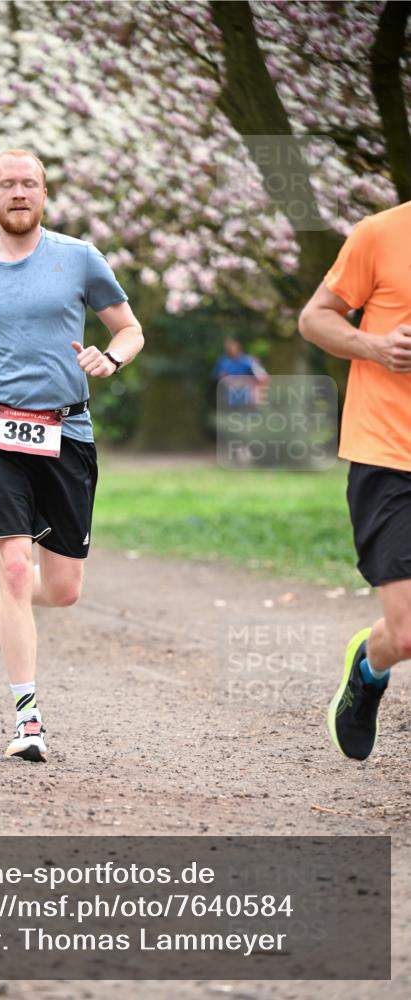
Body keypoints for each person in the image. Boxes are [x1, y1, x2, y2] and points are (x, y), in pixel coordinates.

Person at [0, 149, 144, 762]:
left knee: (64, 588)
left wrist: (111, 357)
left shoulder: (79, 258)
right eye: (7, 185)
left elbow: (130, 328)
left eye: (30, 184)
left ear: (44, 194)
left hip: (66, 429)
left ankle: (4, 590)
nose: (19, 192)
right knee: (17, 567)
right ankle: (28, 719)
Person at [299, 200, 411, 761]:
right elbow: (315, 317)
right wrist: (376, 346)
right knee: (408, 632)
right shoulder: (382, 233)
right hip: (388, 452)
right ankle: (369, 668)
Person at [212, 337, 268, 408]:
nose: (230, 351)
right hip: (230, 395)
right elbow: (217, 376)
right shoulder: (223, 362)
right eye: (228, 349)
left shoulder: (248, 361)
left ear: (238, 348)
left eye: (232, 348)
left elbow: (263, 377)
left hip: (248, 392)